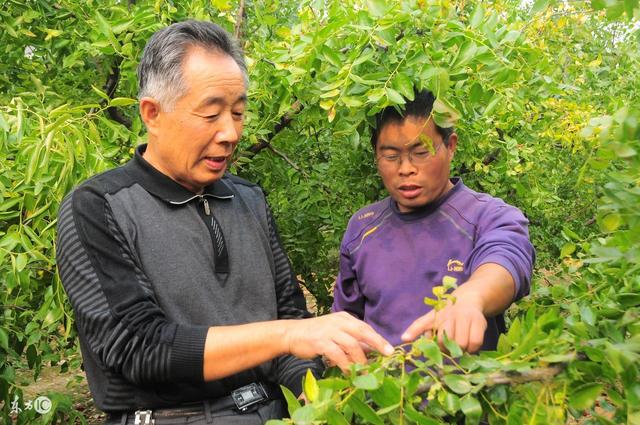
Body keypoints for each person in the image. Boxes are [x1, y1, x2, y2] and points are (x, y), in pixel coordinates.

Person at [56, 20, 393, 425]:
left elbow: (289, 318)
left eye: (237, 113)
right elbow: (138, 347)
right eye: (211, 114)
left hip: (272, 411)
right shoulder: (99, 206)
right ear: (153, 114)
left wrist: (315, 399)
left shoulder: (247, 199)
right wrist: (284, 335)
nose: (230, 133)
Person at [332, 89, 535, 354]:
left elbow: (507, 260)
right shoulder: (362, 227)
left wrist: (471, 298)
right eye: (391, 156)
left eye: (421, 152)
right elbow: (344, 323)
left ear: (451, 146)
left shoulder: (488, 216)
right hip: (381, 391)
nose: (406, 168)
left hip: (466, 392)